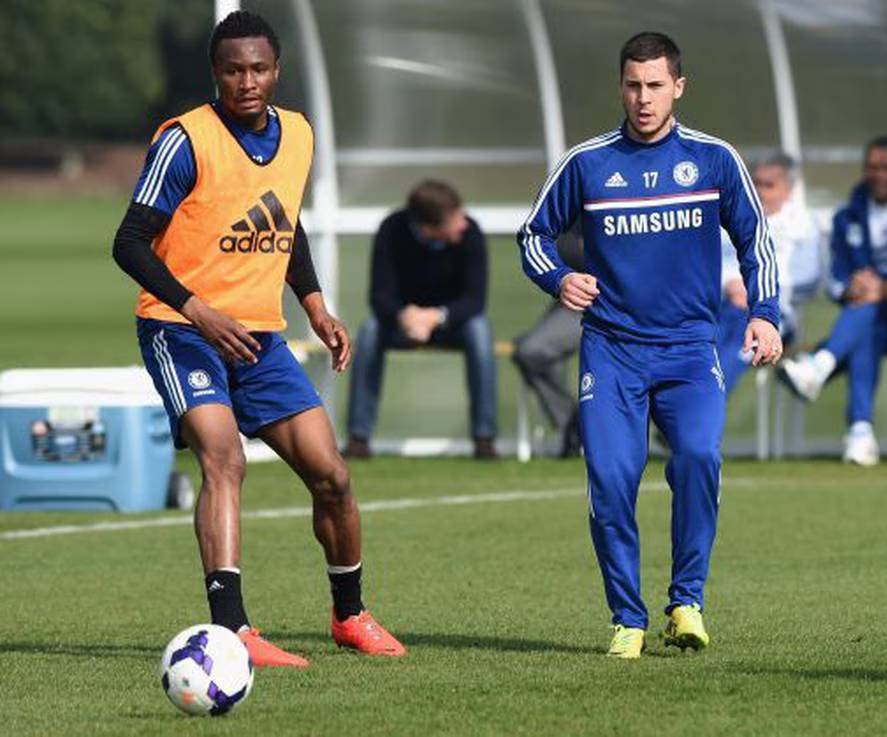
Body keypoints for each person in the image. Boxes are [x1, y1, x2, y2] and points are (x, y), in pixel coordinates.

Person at [112, 10, 405, 666]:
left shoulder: (297, 134)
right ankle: (232, 631)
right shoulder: (185, 140)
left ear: (277, 70)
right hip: (180, 328)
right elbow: (127, 240)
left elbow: (283, 222)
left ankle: (349, 613)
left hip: (260, 336)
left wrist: (315, 304)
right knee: (224, 457)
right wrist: (198, 309)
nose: (247, 81)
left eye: (259, 68)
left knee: (331, 475)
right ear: (215, 73)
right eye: (233, 69)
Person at [518, 32, 781, 658]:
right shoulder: (587, 162)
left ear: (678, 88)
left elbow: (756, 241)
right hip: (612, 350)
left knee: (696, 458)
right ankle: (627, 620)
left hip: (691, 350)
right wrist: (560, 277)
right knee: (610, 477)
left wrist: (766, 314)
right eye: (634, 85)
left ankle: (686, 603)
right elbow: (533, 235)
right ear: (622, 87)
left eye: (656, 85)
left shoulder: (714, 160)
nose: (643, 98)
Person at [777, 136, 887, 466]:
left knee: (869, 306)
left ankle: (820, 365)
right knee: (866, 319)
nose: (879, 175)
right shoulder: (848, 216)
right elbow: (834, 279)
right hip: (873, 322)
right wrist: (849, 290)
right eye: (872, 168)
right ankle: (860, 434)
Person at [345, 180, 498, 460]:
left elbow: (475, 301)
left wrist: (435, 317)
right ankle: (358, 438)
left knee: (480, 330)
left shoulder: (471, 233)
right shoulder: (392, 230)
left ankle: (484, 438)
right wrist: (405, 317)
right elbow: (379, 297)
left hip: (452, 324)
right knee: (369, 331)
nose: (463, 224)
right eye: (455, 219)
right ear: (430, 228)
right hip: (402, 323)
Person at [717, 153, 822, 396]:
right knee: (696, 345)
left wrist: (755, 289)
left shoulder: (803, 225)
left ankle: (697, 419)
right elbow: (710, 262)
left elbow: (809, 278)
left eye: (769, 185)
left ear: (789, 188)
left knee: (738, 350)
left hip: (775, 315)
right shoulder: (729, 217)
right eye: (756, 184)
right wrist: (730, 284)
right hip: (724, 306)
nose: (761, 192)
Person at [512, 226, 585, 457]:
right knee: (531, 350)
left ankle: (670, 432)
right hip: (580, 306)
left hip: (642, 307)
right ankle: (574, 427)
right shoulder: (578, 196)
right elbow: (552, 244)